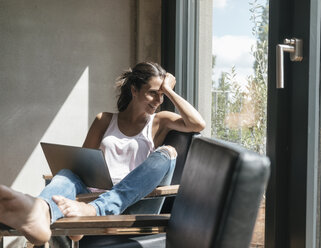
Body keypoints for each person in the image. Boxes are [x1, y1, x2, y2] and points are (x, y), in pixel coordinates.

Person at [0, 62, 205, 245]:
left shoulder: (160, 120)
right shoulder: (104, 120)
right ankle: (39, 211)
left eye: (162, 95)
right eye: (153, 93)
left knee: (167, 153)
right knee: (67, 174)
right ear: (134, 90)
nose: (158, 100)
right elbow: (81, 166)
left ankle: (91, 212)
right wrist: (78, 189)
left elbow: (197, 124)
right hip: (92, 194)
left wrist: (168, 89)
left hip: (134, 201)